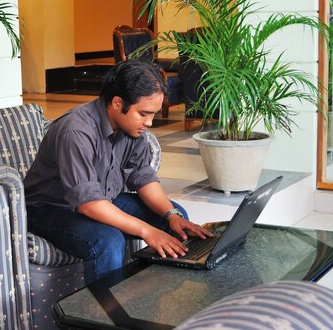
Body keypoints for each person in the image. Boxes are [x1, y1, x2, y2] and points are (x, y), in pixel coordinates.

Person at [24, 59, 212, 284]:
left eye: (153, 114)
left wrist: (171, 215)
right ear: (117, 103)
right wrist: (146, 231)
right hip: (50, 210)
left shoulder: (132, 128)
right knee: (108, 240)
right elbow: (88, 204)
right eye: (143, 114)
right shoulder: (77, 131)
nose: (149, 123)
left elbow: (143, 178)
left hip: (103, 200)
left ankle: (161, 290)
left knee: (175, 216)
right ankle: (104, 305)